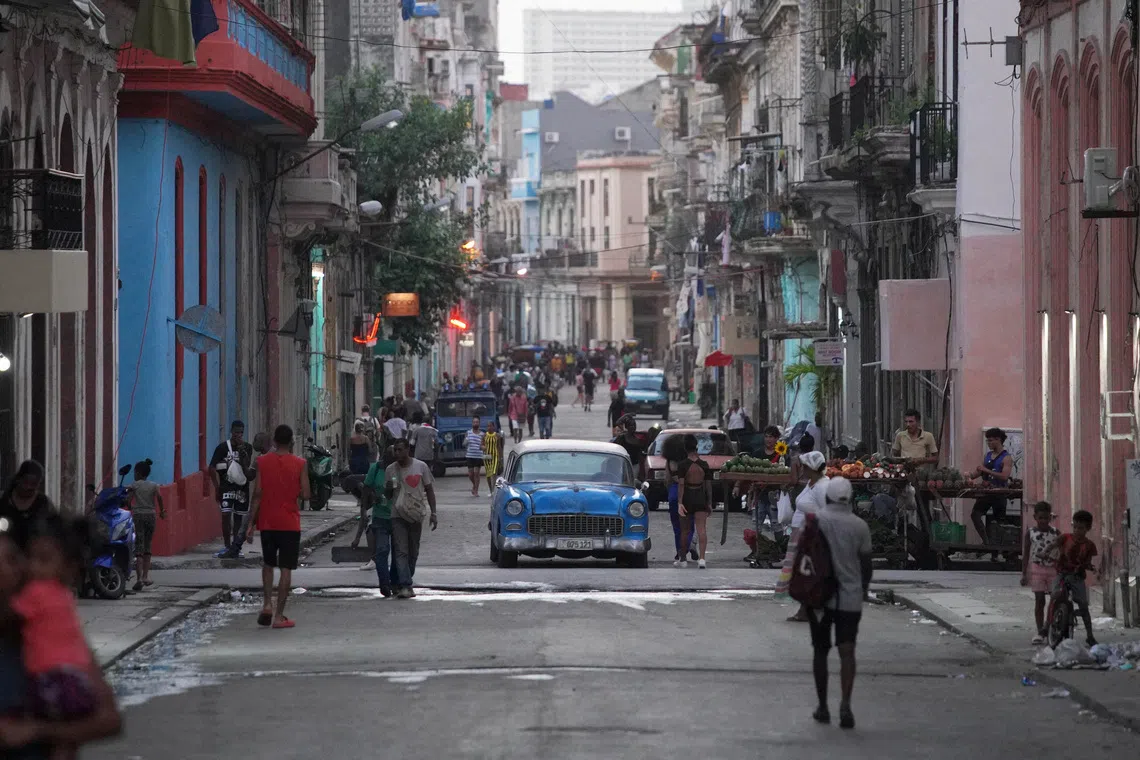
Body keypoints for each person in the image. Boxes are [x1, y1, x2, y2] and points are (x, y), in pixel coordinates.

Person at [0, 532, 123, 759]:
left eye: (13, 559)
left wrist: (39, 730)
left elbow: (109, 720)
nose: (16, 569)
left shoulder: (50, 632)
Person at [808, 477, 873, 730]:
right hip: (850, 596)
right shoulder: (860, 526)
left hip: (819, 597)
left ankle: (823, 706)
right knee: (847, 651)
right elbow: (866, 566)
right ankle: (845, 704)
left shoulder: (816, 522)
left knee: (821, 651)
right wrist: (863, 590)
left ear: (827, 498)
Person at [245, 424, 310, 629]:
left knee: (268, 564)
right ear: (291, 441)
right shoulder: (300, 463)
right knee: (286, 569)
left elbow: (257, 494)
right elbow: (306, 495)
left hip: (267, 522)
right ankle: (279, 616)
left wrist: (249, 525)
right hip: (290, 523)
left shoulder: (262, 462)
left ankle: (266, 604)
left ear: (274, 441)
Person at [777, 451, 830, 618]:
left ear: (813, 469)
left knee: (808, 575)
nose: (802, 469)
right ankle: (805, 609)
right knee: (801, 575)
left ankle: (813, 609)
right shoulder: (811, 484)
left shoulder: (823, 487)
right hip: (801, 535)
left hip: (814, 537)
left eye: (805, 467)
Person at [385, 439, 438, 599]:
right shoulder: (390, 470)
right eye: (395, 450)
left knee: (413, 551)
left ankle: (406, 577)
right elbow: (388, 496)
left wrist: (433, 513)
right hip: (397, 514)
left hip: (415, 514)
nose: (397, 454)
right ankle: (406, 585)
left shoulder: (421, 467)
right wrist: (387, 490)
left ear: (408, 449)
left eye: (400, 450)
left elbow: (429, 490)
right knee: (401, 551)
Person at [1054, 509, 1100, 647]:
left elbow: (1087, 562)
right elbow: (1053, 545)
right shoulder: (1065, 538)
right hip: (1062, 573)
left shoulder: (1090, 545)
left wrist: (1090, 567)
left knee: (1084, 606)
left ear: (1088, 529)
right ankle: (1048, 625)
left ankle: (1090, 635)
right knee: (1055, 596)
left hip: (1077, 576)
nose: (1077, 530)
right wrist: (1045, 553)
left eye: (1081, 528)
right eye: (1075, 527)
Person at [208, 420, 253, 557]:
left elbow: (247, 466)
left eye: (240, 433)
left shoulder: (247, 448)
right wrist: (217, 487)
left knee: (239, 516)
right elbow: (211, 467)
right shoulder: (222, 448)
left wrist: (242, 451)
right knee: (226, 515)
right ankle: (227, 546)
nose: (238, 435)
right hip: (226, 487)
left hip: (241, 487)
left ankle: (235, 547)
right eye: (236, 432)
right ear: (231, 432)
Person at [1021, 501, 1061, 644]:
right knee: (1039, 600)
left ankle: (1050, 627)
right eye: (1040, 518)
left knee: (1055, 601)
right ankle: (1039, 632)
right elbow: (1026, 554)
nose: (1043, 521)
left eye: (1046, 518)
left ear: (1050, 518)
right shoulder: (1030, 533)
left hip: (1053, 570)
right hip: (1037, 569)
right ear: (1035, 517)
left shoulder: (1056, 533)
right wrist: (1024, 573)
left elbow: (1061, 552)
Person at [969, 427, 1012, 554]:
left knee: (999, 521)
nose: (989, 443)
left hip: (999, 492)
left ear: (998, 440)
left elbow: (1005, 476)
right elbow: (978, 472)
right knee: (975, 514)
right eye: (987, 441)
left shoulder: (1006, 457)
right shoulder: (987, 455)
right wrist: (969, 476)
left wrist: (986, 471)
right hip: (986, 491)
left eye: (991, 441)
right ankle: (986, 542)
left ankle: (999, 549)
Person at [358, 458, 397, 597]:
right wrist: (364, 508)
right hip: (380, 517)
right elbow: (366, 488)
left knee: (399, 553)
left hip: (398, 516)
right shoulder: (375, 469)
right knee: (382, 550)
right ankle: (385, 584)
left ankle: (396, 583)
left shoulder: (398, 469)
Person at [127, 459, 165, 591]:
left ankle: (138, 579)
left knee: (139, 545)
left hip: (138, 516)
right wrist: (162, 511)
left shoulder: (134, 485)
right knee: (148, 545)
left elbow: (128, 499)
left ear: (137, 473)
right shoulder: (154, 485)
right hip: (151, 515)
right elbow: (159, 497)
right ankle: (145, 576)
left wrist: (127, 505)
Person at [0, 461, 56, 550]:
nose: (28, 487)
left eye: (34, 484)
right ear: (18, 479)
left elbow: (55, 531)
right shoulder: (4, 499)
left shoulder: (44, 503)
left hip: (33, 556)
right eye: (26, 482)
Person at [677, 434, 713, 569]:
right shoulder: (704, 465)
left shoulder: (682, 465)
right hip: (700, 498)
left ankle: (683, 559)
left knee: (685, 530)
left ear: (685, 448)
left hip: (687, 498)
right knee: (702, 529)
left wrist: (679, 502)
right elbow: (708, 486)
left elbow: (681, 485)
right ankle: (702, 559)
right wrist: (709, 503)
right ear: (696, 447)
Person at [662, 434, 699, 565]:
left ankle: (680, 550)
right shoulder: (691, 461)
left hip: (674, 492)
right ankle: (686, 547)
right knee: (689, 525)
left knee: (677, 526)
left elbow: (667, 479)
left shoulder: (669, 462)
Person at [465, 416, 486, 496]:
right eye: (474, 422)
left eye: (477, 422)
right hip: (470, 455)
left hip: (478, 456)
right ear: (472, 423)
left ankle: (476, 490)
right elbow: (464, 444)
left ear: (479, 423)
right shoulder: (468, 433)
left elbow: (484, 445)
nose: (475, 423)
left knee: (476, 473)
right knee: (470, 474)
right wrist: (466, 440)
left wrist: (484, 449)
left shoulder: (482, 434)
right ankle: (474, 485)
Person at [483, 421, 504, 494]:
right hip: (486, 456)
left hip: (495, 455)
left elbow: (499, 447)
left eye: (490, 426)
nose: (489, 428)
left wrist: (501, 458)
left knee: (494, 472)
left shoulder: (497, 435)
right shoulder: (484, 435)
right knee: (488, 474)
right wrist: (483, 447)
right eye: (488, 426)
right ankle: (490, 490)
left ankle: (494, 489)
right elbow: (481, 445)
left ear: (493, 427)